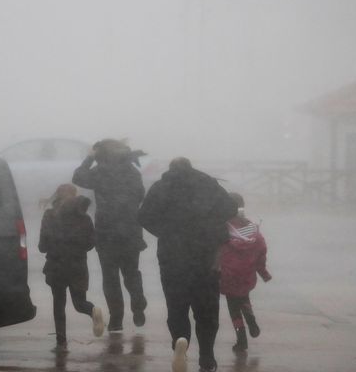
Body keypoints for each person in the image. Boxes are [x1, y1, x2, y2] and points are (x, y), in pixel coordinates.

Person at [138, 157, 237, 372]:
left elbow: (143, 216)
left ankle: (180, 342)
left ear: (171, 169)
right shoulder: (208, 184)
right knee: (207, 310)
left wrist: (166, 232)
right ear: (191, 167)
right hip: (205, 256)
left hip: (172, 256)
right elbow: (231, 208)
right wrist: (209, 229)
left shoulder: (161, 187)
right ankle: (207, 356)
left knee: (177, 306)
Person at [72, 139, 147, 331]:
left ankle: (116, 319)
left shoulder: (100, 172)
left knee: (110, 277)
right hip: (130, 230)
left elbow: (78, 177)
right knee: (132, 272)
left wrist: (89, 158)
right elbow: (140, 195)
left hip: (107, 231)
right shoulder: (132, 172)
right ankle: (138, 303)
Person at [38, 184, 104, 352]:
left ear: (57, 196)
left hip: (56, 265)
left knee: (59, 304)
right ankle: (92, 310)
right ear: (75, 196)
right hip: (77, 266)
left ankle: (61, 342)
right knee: (79, 303)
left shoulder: (49, 215)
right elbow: (91, 242)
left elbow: (42, 246)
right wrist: (77, 248)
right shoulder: (84, 217)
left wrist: (54, 245)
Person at [220, 192, 271, 353]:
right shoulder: (252, 228)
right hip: (246, 274)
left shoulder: (223, 227)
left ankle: (241, 340)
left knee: (233, 308)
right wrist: (263, 273)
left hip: (228, 275)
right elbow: (261, 250)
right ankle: (251, 320)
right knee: (243, 298)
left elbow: (214, 250)